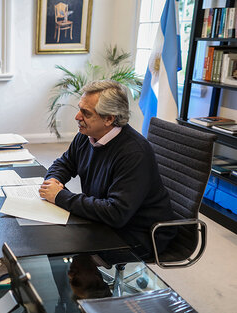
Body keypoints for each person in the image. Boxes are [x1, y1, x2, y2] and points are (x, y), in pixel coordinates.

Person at [39, 80, 176, 258]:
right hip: (105, 221)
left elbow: (116, 213)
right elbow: (64, 163)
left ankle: (81, 284)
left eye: (86, 113)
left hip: (139, 234)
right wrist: (53, 181)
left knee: (55, 246)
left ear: (109, 119)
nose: (77, 117)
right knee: (45, 236)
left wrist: (60, 196)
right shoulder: (87, 135)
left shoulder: (134, 153)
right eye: (79, 109)